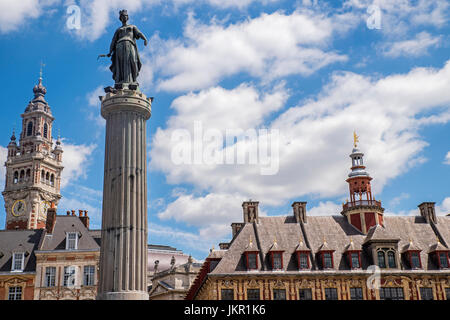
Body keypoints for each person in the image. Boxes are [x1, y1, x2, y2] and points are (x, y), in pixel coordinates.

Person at [107, 10, 148, 85]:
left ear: (127, 17)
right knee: (121, 63)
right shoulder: (118, 30)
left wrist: (145, 39)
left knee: (133, 61)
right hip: (119, 46)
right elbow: (113, 41)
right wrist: (110, 51)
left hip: (130, 44)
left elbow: (139, 33)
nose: (124, 17)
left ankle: (133, 80)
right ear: (120, 18)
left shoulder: (132, 27)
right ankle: (121, 80)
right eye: (122, 16)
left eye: (125, 16)